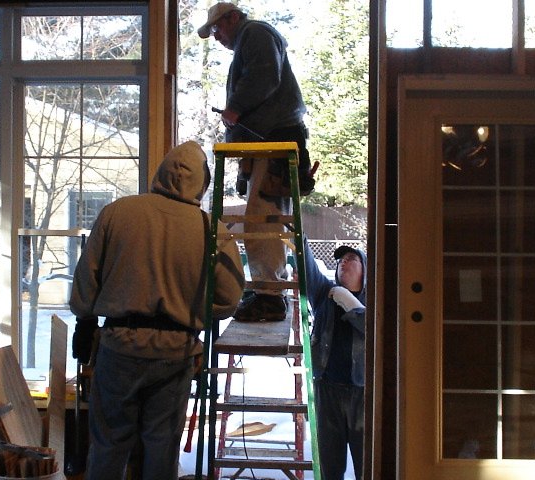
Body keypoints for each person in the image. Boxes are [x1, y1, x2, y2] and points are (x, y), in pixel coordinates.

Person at [69, 140, 245, 480]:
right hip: (175, 351)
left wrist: (85, 318)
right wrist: (192, 305)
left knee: (108, 445)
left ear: (160, 172)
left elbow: (86, 280)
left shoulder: (117, 212)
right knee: (161, 449)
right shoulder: (211, 229)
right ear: (202, 184)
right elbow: (228, 300)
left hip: (119, 345)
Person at [198, 2, 315, 322]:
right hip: (270, 140)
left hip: (271, 141)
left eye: (218, 28)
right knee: (266, 216)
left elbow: (264, 75)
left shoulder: (255, 33)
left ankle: (269, 295)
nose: (217, 36)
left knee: (262, 218)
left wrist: (235, 107)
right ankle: (268, 288)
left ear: (233, 18)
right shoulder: (252, 37)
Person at [304, 236, 366, 479]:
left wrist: (350, 304)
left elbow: (374, 330)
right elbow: (307, 266)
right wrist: (299, 234)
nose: (343, 263)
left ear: (365, 269)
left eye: (351, 259)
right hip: (327, 390)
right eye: (340, 260)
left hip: (362, 394)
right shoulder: (324, 293)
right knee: (329, 467)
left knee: (367, 465)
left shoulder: (375, 299)